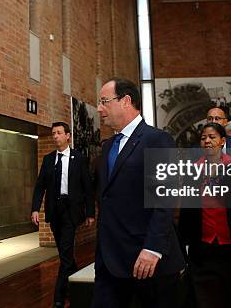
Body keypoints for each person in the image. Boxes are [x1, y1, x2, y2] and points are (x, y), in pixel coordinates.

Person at [92, 78, 184, 308]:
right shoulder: (108, 146)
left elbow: (165, 198)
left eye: (104, 101)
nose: (99, 108)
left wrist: (153, 248)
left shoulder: (157, 140)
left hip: (147, 262)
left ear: (126, 101)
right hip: (109, 262)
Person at [183, 123, 231, 308]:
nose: (207, 141)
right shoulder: (193, 169)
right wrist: (184, 241)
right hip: (203, 240)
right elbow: (188, 207)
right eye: (203, 138)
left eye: (212, 137)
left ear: (222, 141)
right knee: (204, 293)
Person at [31, 122, 95, 308]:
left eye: (59, 133)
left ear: (68, 136)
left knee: (65, 252)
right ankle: (75, 282)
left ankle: (59, 296)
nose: (55, 136)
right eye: (53, 133)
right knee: (65, 253)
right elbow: (40, 186)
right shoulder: (49, 159)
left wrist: (90, 212)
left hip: (71, 211)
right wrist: (35, 208)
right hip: (54, 211)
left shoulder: (79, 158)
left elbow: (87, 187)